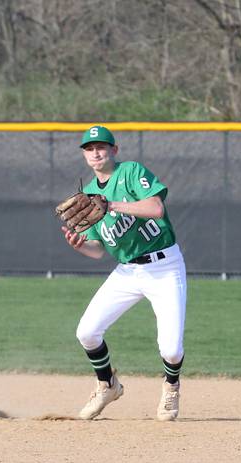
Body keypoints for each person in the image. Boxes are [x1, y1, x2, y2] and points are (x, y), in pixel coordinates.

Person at [62, 125, 186, 421]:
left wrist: (111, 205)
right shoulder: (89, 194)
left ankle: (171, 386)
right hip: (127, 271)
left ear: (114, 151)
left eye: (102, 147)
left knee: (170, 349)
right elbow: (98, 249)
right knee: (87, 332)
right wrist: (80, 245)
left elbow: (156, 208)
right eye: (90, 149)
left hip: (165, 266)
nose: (96, 152)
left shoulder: (130, 172)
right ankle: (107, 385)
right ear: (84, 155)